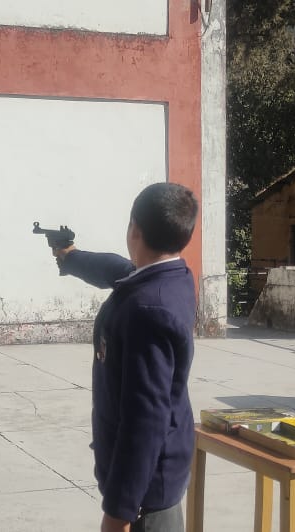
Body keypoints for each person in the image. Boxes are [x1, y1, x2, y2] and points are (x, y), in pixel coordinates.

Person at [54, 183, 199, 532]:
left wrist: (119, 513)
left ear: (134, 229)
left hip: (144, 502)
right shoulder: (173, 278)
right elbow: (116, 269)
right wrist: (71, 257)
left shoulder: (147, 310)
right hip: (154, 483)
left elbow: (145, 420)